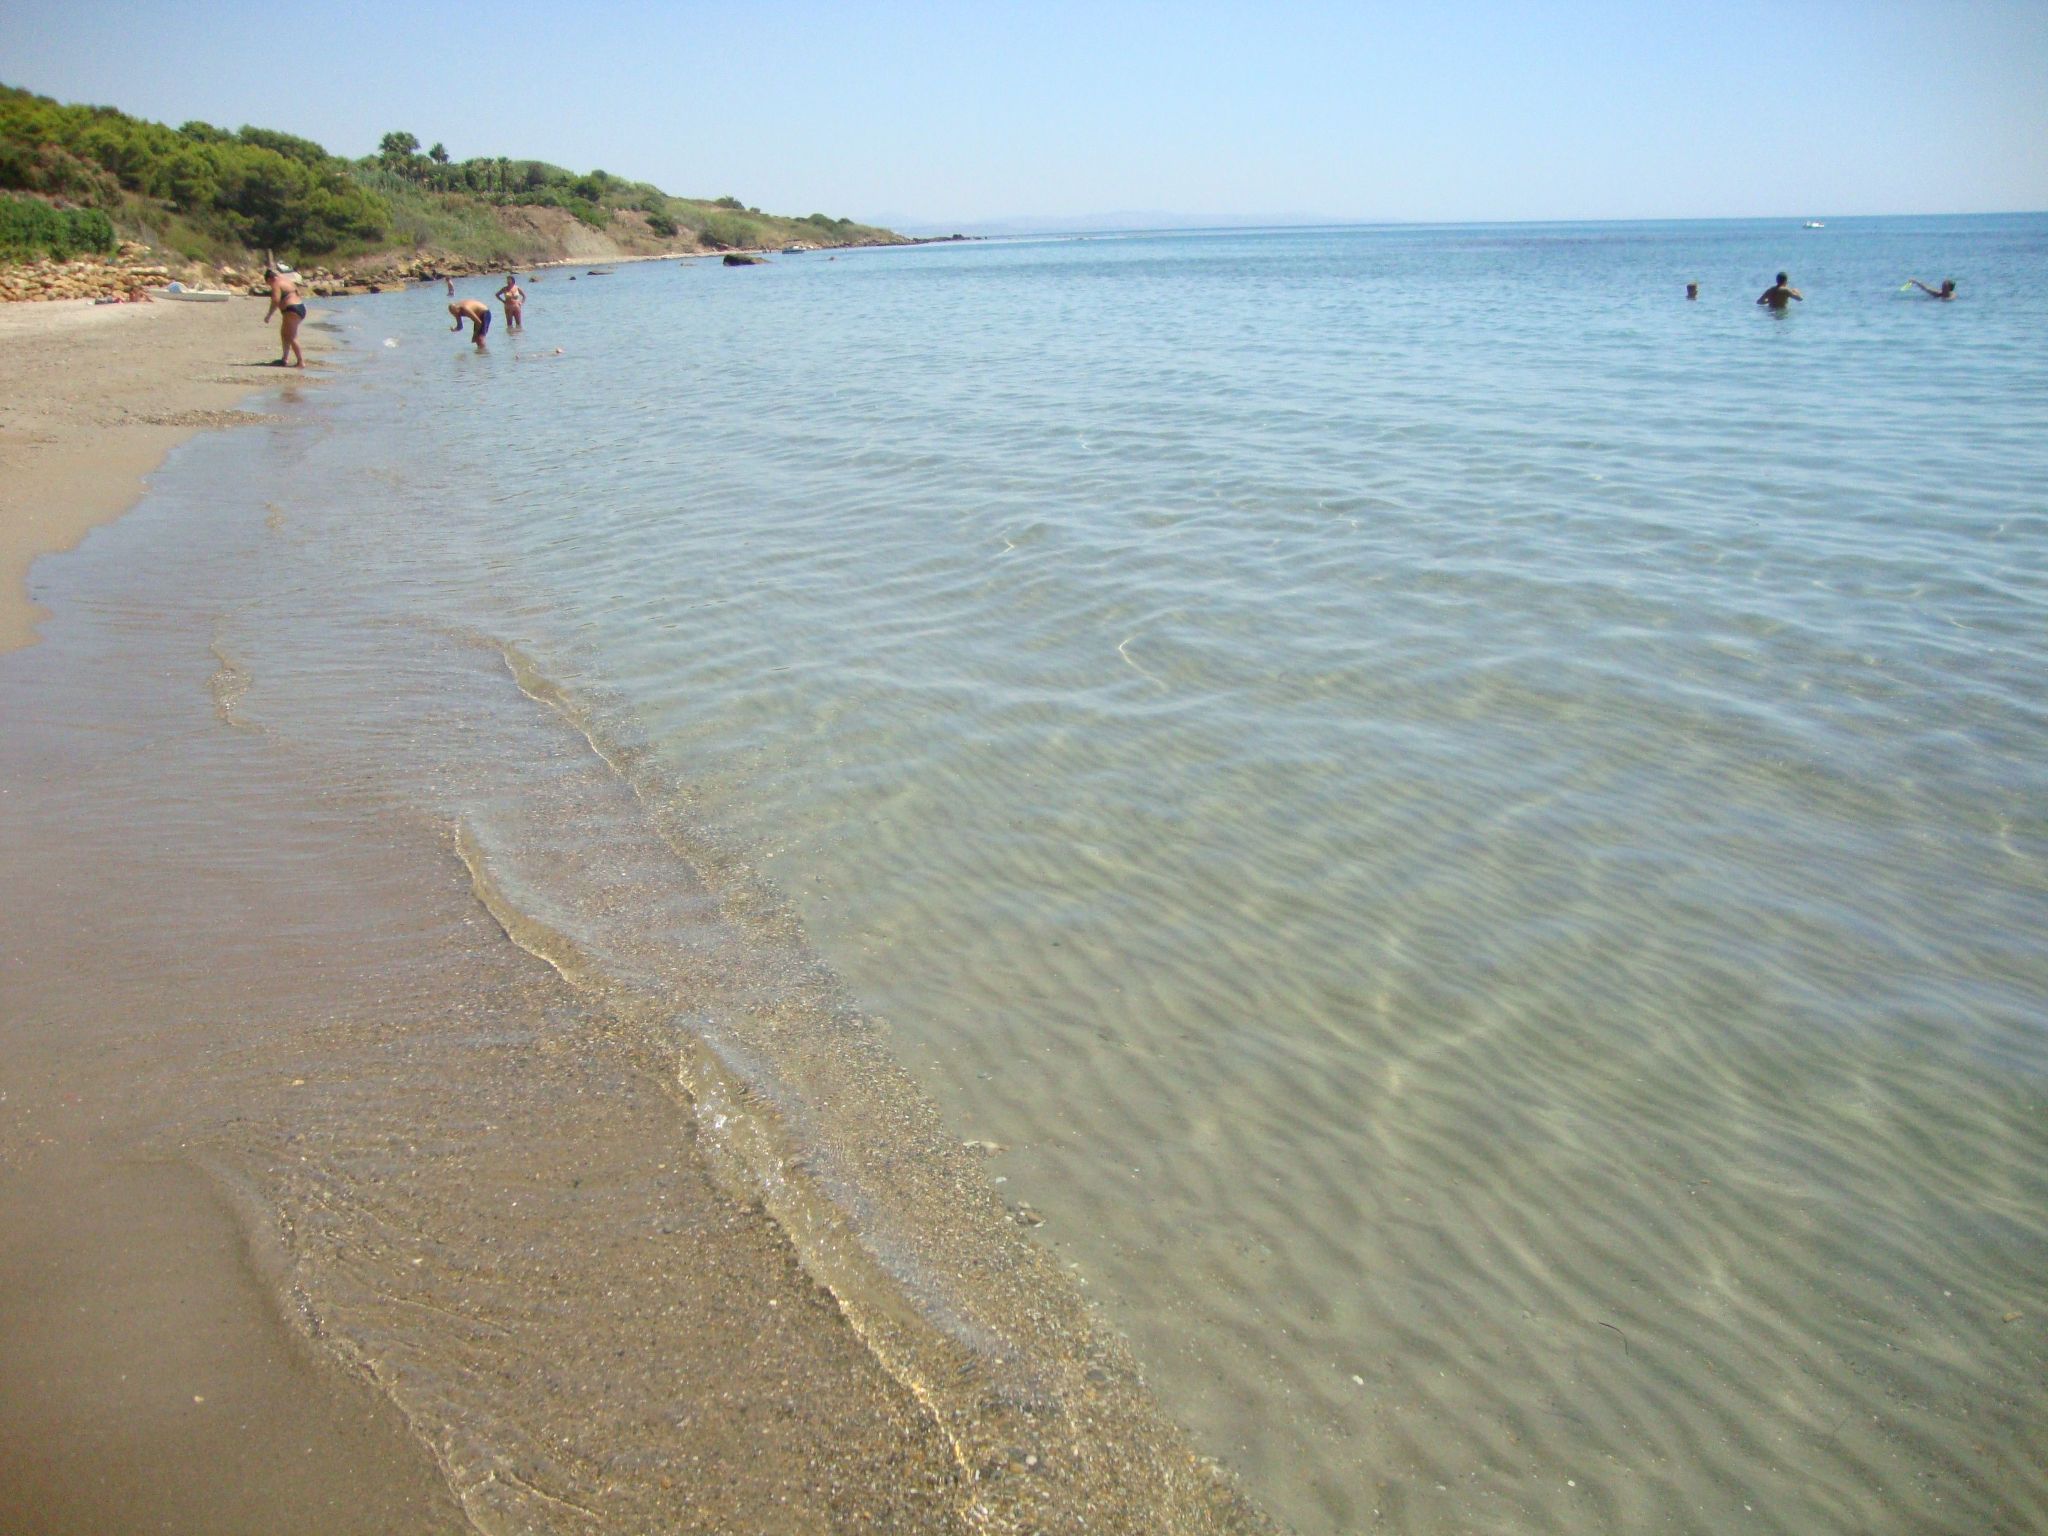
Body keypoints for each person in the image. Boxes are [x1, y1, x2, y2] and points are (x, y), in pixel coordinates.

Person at [264, 265, 307, 367]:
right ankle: (284, 358)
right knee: (284, 333)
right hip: (299, 307)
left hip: (291, 310)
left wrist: (269, 315)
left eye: (268, 283)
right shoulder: (286, 280)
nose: (270, 286)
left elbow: (276, 300)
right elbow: (298, 292)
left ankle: (301, 361)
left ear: (270, 279)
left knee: (291, 336)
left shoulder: (276, 283)